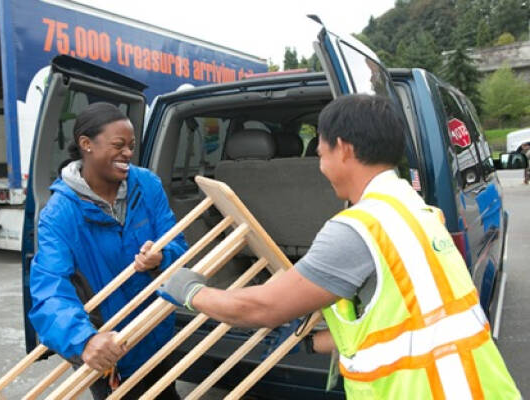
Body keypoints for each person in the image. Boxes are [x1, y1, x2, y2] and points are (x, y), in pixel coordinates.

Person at [159, 95, 520, 399]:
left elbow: (262, 307)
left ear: (344, 149)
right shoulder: (416, 209)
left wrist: (192, 293)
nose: (319, 165)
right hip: (479, 384)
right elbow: (405, 323)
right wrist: (312, 343)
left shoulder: (357, 228)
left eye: (320, 153)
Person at [29, 102, 187, 399]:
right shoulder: (59, 213)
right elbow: (49, 289)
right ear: (86, 144)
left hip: (155, 334)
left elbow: (180, 247)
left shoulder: (147, 186)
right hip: (105, 348)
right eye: (118, 145)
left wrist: (162, 258)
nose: (128, 153)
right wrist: (84, 340)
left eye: (130, 146)